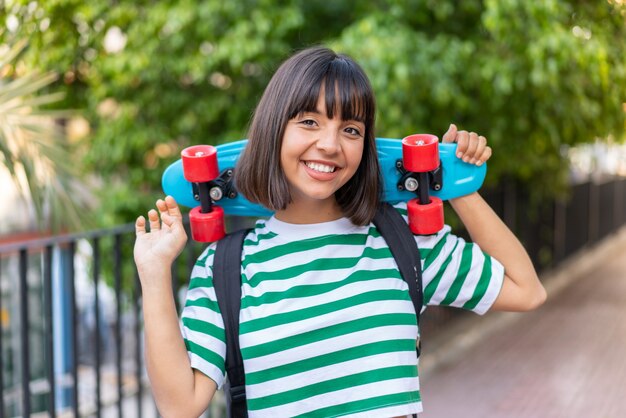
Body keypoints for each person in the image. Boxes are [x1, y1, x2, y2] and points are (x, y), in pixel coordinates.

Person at [133, 46, 546, 418]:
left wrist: (454, 182)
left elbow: (526, 290)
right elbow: (179, 405)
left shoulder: (402, 243)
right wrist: (153, 274)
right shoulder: (226, 269)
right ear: (274, 130)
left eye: (351, 130)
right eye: (309, 121)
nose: (330, 144)